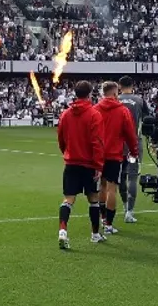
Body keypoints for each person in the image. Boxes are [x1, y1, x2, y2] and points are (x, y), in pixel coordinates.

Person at [55, 81, 106, 249]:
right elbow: (97, 142)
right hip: (89, 164)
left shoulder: (66, 114)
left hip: (71, 162)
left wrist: (67, 153)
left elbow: (61, 138)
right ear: (90, 94)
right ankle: (95, 234)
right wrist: (98, 165)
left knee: (68, 199)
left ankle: (63, 231)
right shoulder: (94, 114)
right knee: (93, 199)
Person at [95, 81, 138, 235]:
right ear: (115, 93)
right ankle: (108, 224)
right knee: (112, 187)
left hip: (98, 154)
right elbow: (130, 134)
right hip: (114, 154)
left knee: (102, 185)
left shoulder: (96, 109)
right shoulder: (122, 111)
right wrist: (134, 150)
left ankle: (101, 218)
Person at [117, 77, 147, 222]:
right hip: (134, 144)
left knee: (121, 176)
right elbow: (147, 120)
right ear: (132, 85)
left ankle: (124, 205)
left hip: (117, 145)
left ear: (119, 86)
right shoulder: (139, 100)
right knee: (133, 176)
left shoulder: (115, 100)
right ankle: (129, 211)